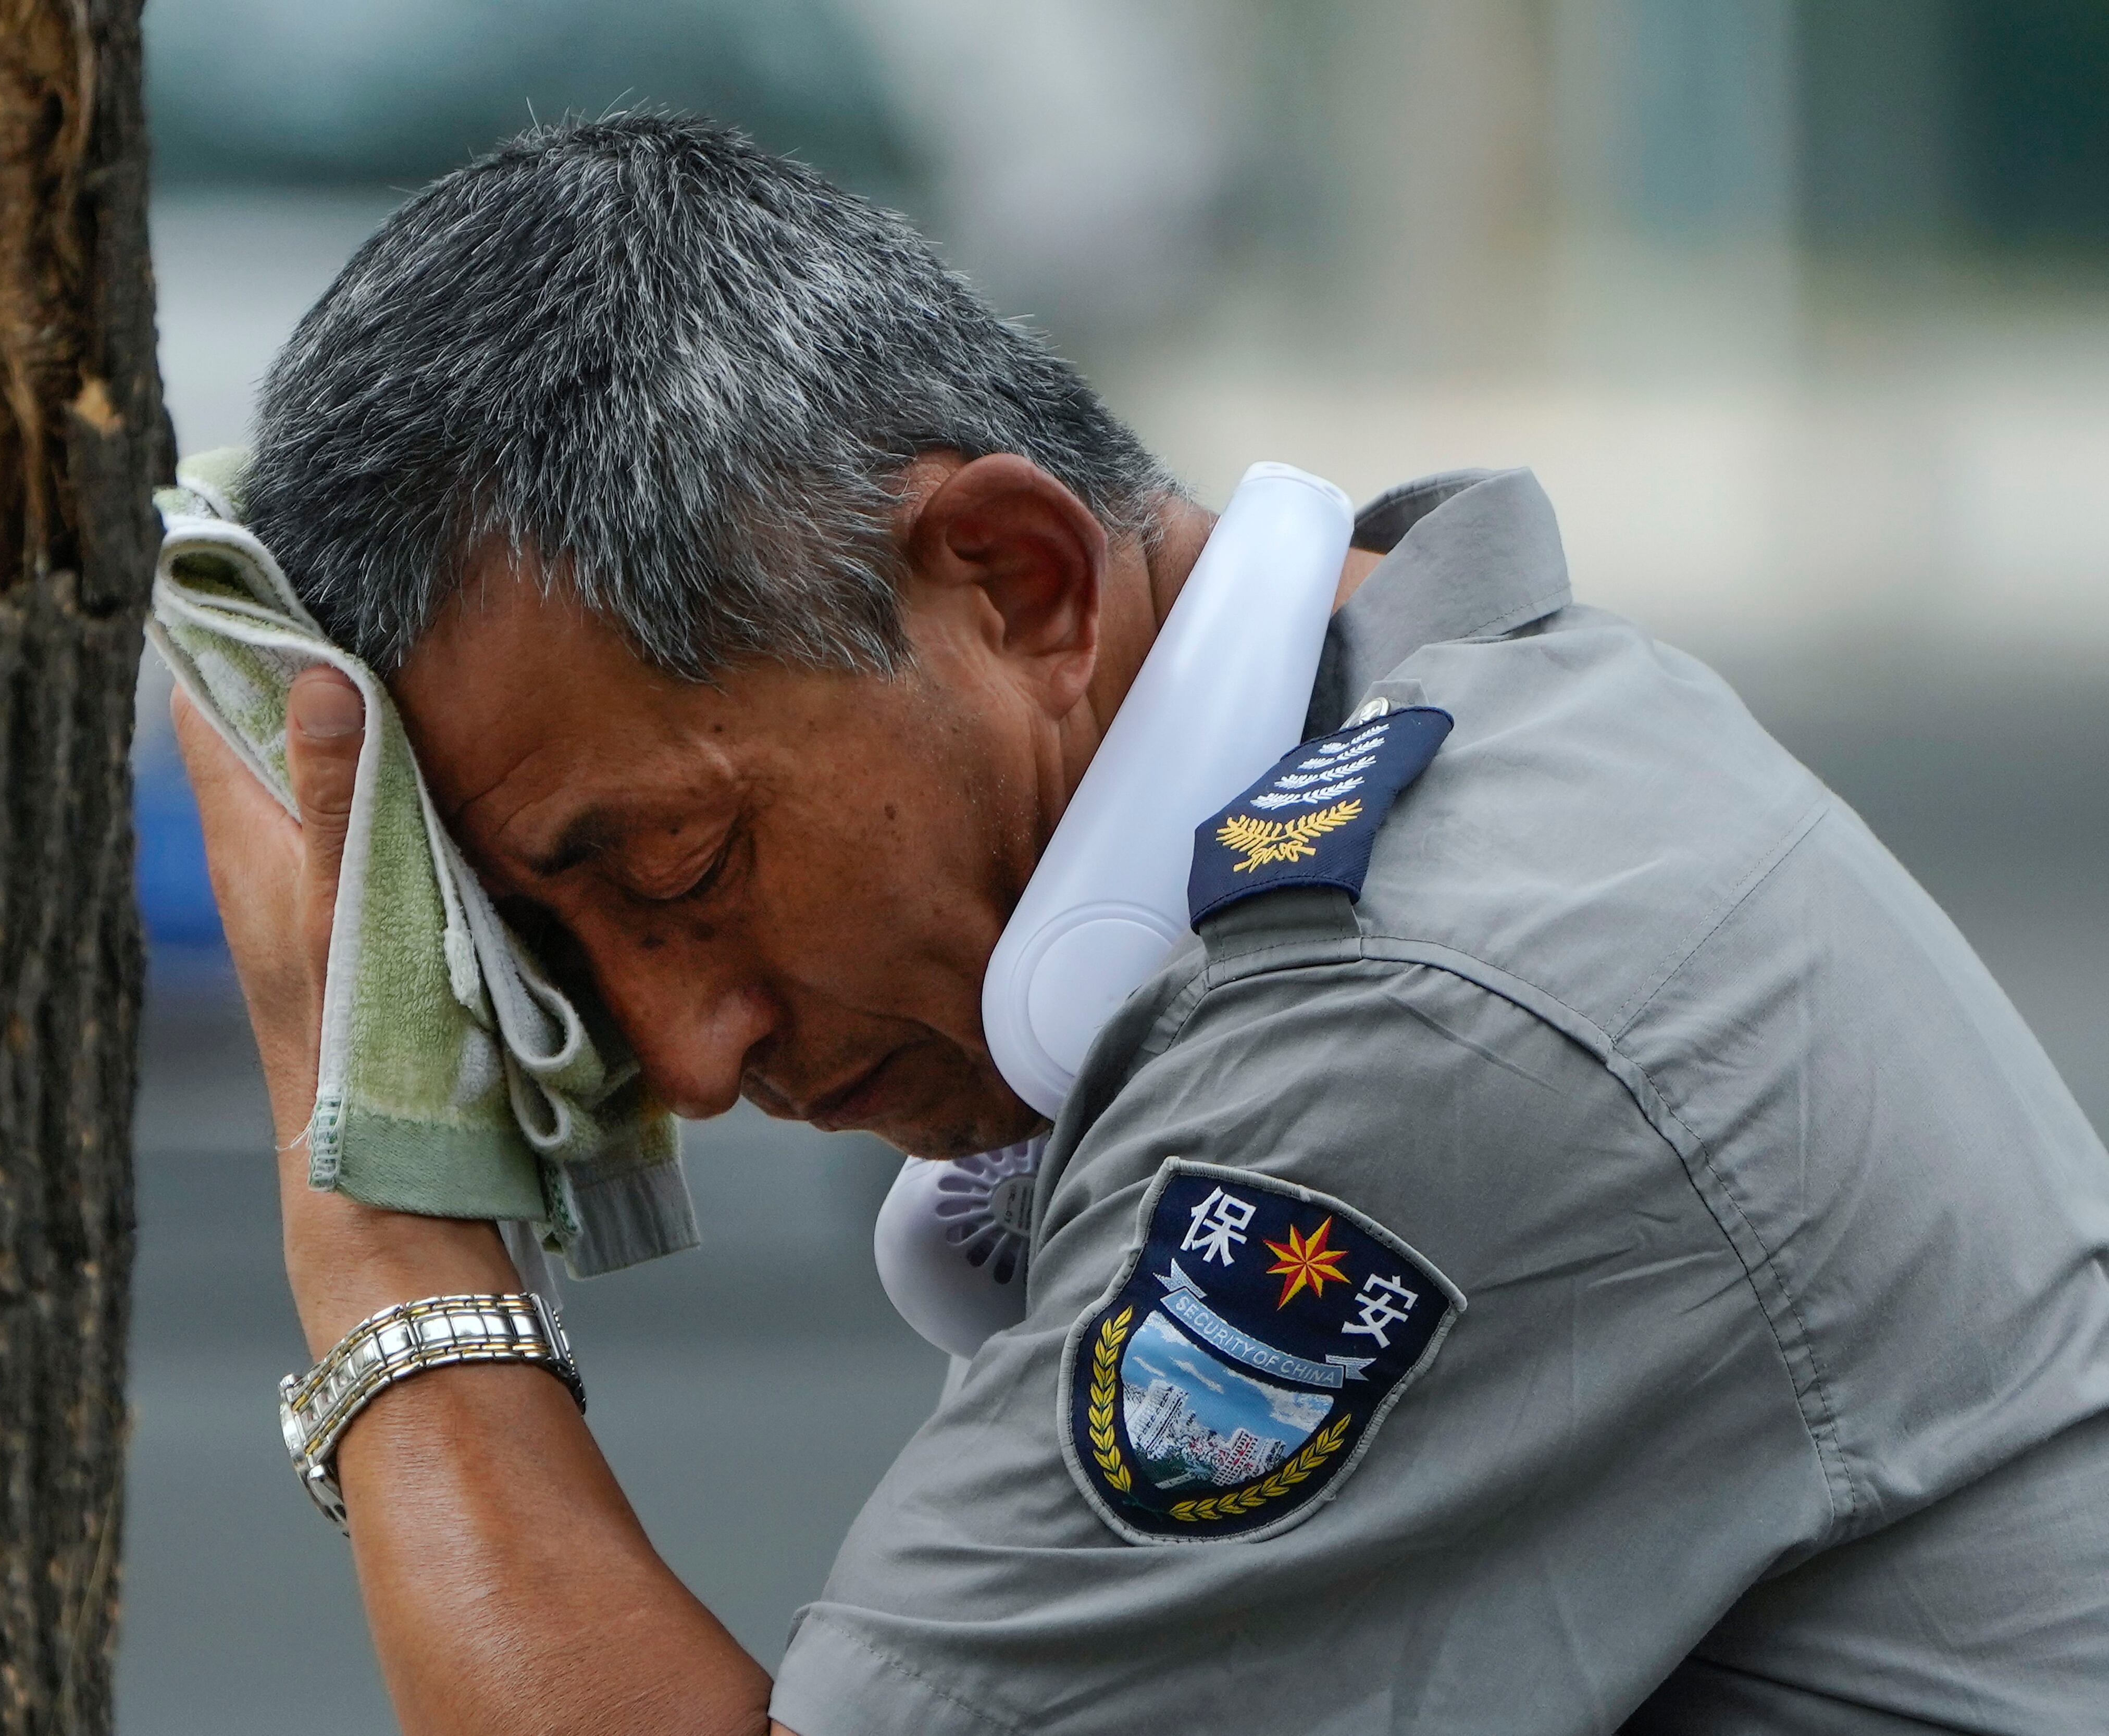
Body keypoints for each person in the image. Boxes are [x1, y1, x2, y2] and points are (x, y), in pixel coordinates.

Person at [176, 113, 2109, 1734]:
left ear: (1014, 583)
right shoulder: (1446, 715)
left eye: (678, 872)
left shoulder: (1409, 1033)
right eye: (554, 953)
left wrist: (380, 1218)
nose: (687, 1052)